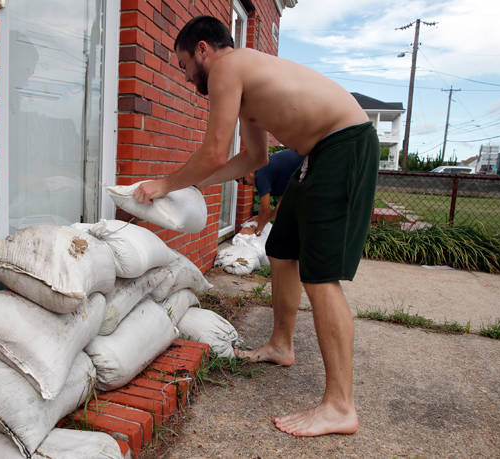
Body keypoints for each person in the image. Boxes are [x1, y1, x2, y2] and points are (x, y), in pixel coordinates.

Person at [132, 15, 378, 437]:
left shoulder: (229, 67)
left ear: (203, 49)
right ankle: (282, 345)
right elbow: (253, 159)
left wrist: (164, 184)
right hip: (316, 154)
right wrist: (183, 187)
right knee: (282, 248)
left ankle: (340, 406)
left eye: (184, 64)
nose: (187, 75)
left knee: (321, 276)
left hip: (344, 145)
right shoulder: (247, 87)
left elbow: (212, 152)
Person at [238, 148, 303, 237]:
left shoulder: (260, 174)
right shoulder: (272, 171)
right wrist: (262, 219)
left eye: (245, 181)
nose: (249, 185)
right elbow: (279, 208)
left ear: (248, 172)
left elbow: (265, 210)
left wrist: (257, 232)